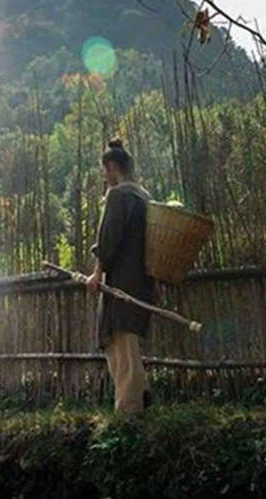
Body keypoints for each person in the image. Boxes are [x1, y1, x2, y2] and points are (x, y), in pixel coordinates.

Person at [85, 138, 156, 415]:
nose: (106, 178)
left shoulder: (118, 196)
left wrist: (96, 274)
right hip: (143, 281)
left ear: (112, 167)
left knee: (121, 345)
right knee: (127, 343)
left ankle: (129, 410)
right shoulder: (145, 196)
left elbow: (108, 240)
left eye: (106, 172)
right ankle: (143, 393)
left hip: (123, 282)